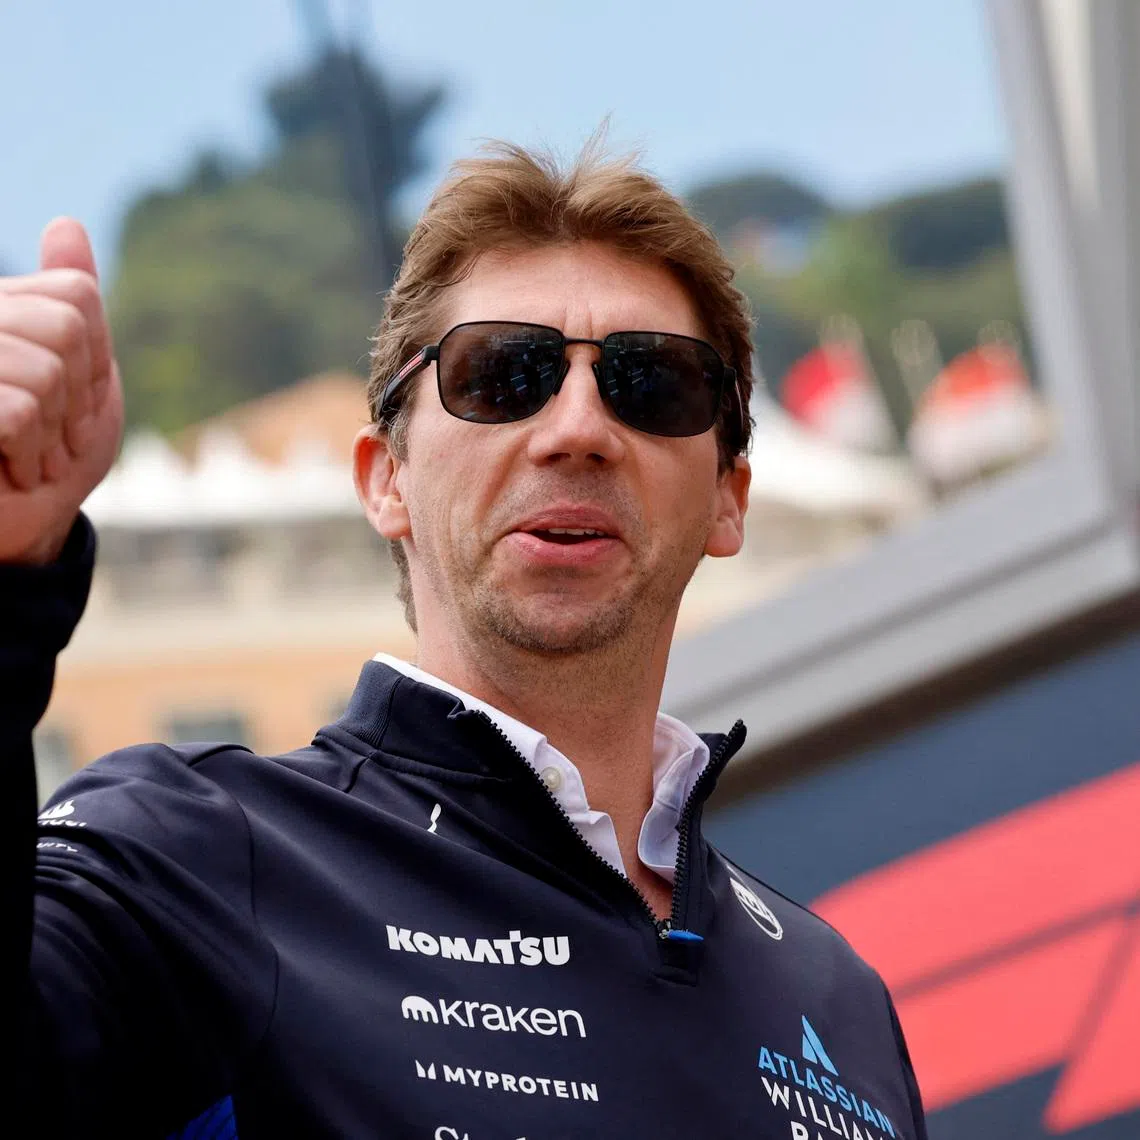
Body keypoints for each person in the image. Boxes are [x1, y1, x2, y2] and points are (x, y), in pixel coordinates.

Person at [1, 142, 928, 1139]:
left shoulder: (840, 999)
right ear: (384, 478)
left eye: (651, 384)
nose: (578, 427)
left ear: (729, 500)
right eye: (502, 374)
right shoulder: (194, 851)